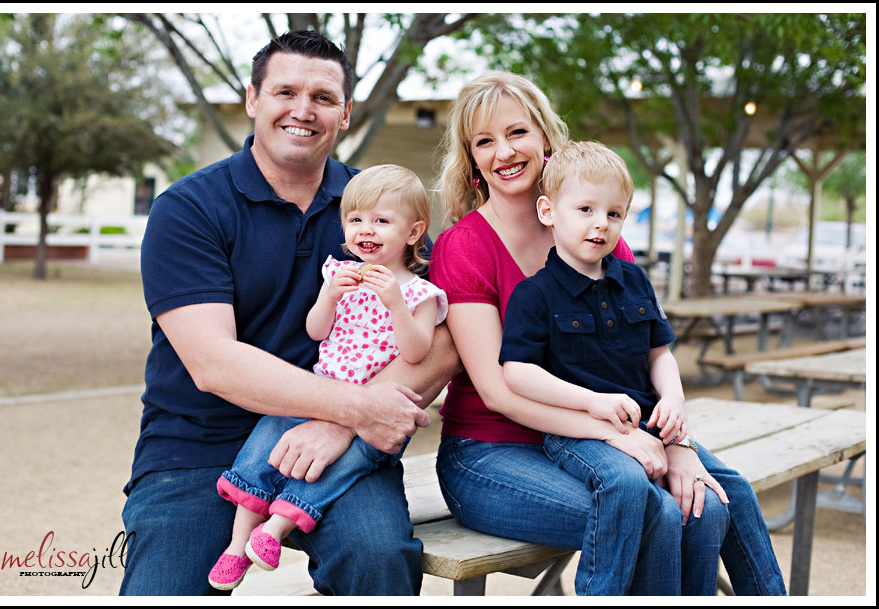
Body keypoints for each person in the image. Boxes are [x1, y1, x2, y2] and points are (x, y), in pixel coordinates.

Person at [120, 31, 459, 596]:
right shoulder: (188, 209)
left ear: (345, 113)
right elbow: (215, 364)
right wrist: (354, 408)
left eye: (323, 98)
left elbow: (443, 338)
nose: (303, 110)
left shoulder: (378, 208)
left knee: (377, 559)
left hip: (337, 443)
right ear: (253, 99)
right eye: (285, 92)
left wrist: (339, 425)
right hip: (198, 443)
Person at [430, 72, 786, 595]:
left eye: (517, 132)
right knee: (659, 512)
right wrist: (619, 435)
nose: (504, 152)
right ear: (472, 159)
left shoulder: (597, 232)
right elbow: (499, 390)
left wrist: (678, 443)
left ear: (545, 137)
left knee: (718, 498)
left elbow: (645, 352)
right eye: (485, 141)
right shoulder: (465, 246)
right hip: (493, 452)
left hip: (605, 436)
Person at [500, 140, 731, 595]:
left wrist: (674, 399)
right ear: (548, 212)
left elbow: (659, 352)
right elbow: (517, 372)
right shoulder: (534, 294)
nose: (600, 223)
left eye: (614, 213)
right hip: (580, 432)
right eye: (585, 209)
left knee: (708, 508)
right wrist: (593, 402)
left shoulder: (634, 278)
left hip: (644, 426)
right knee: (633, 487)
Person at [208, 164, 448, 590]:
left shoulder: (419, 294)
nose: (365, 229)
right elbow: (316, 331)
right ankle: (237, 544)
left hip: (374, 417)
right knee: (266, 447)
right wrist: (330, 295)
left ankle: (274, 530)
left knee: (334, 471)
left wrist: (395, 304)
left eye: (381, 220)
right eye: (355, 220)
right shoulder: (340, 275)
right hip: (317, 395)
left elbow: (416, 352)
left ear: (413, 232)